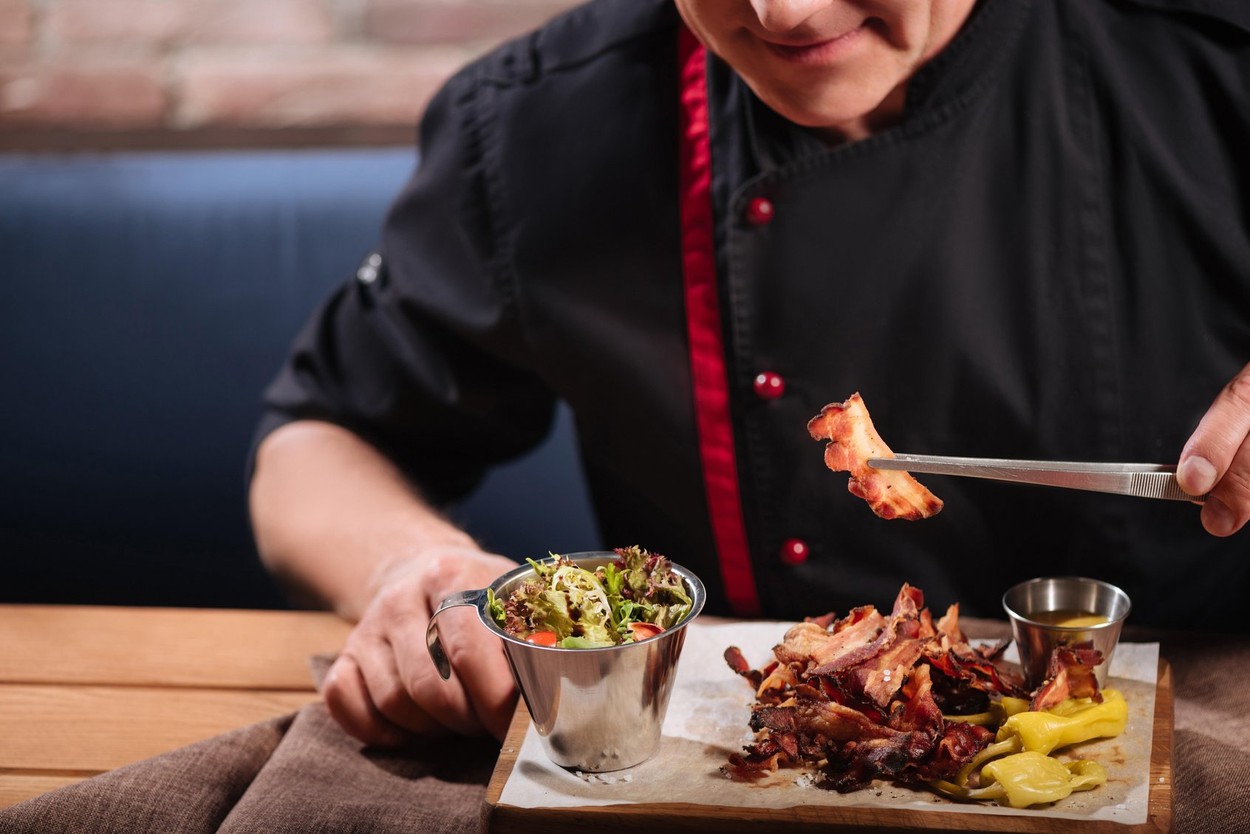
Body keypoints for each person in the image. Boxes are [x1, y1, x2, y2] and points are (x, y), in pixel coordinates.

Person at [248, 0, 1250, 748]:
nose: (784, 12)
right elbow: (316, 441)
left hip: (1193, 729)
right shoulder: (539, 123)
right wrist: (410, 565)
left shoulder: (1209, 57)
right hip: (726, 757)